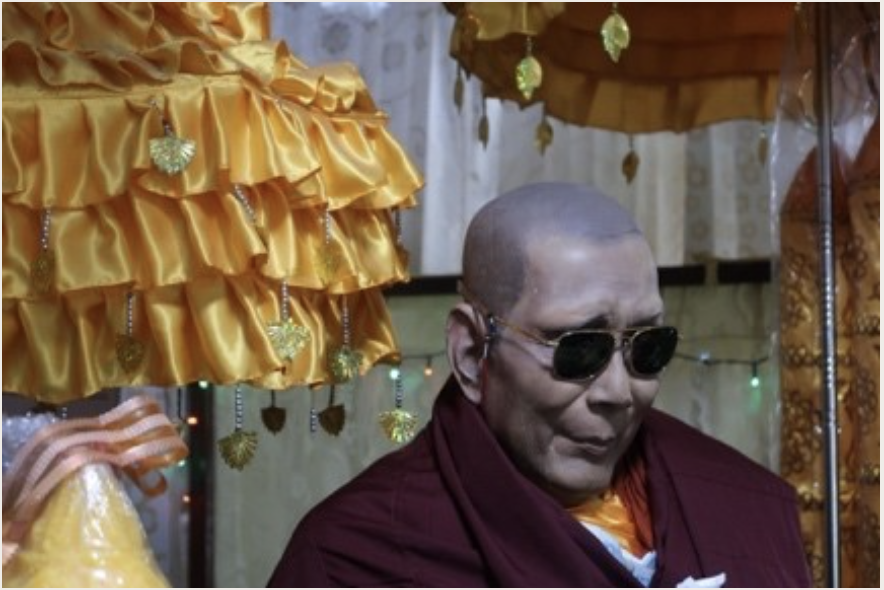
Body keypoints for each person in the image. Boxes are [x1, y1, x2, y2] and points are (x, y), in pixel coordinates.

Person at [268, 182, 812, 587]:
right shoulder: (354, 556)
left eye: (648, 347)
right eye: (579, 349)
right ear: (469, 351)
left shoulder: (744, 507)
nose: (619, 393)